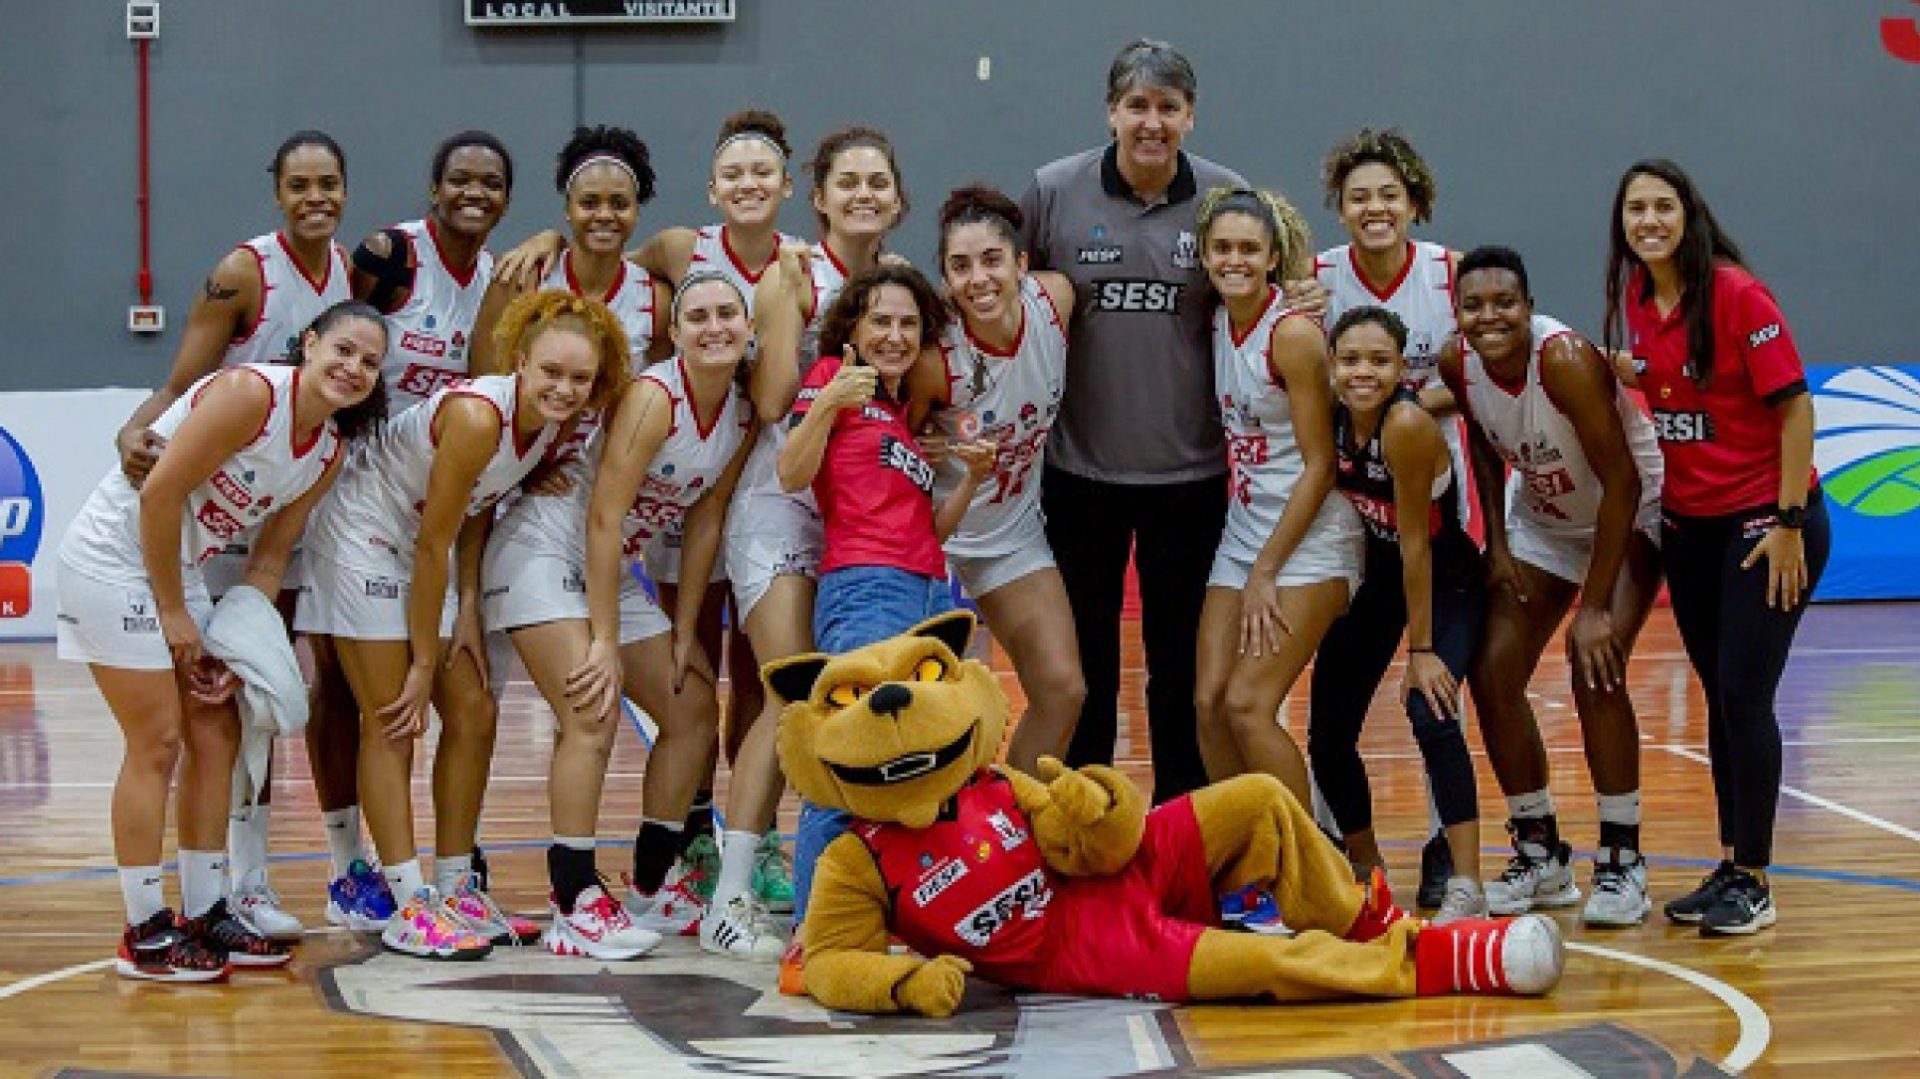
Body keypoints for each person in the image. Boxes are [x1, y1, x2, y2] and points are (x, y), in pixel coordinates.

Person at [58, 300, 387, 980]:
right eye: (344, 350)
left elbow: (267, 562)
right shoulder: (250, 394)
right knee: (157, 739)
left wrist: (239, 645)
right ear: (310, 343)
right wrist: (176, 614)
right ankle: (144, 930)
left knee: (218, 730)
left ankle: (206, 911)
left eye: (370, 362)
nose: (354, 368)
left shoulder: (325, 453)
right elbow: (159, 495)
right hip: (112, 558)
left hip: (177, 568)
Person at [297, 289, 627, 959]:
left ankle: (455, 886)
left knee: (473, 710)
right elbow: (432, 540)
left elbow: (477, 507)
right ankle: (409, 901)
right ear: (521, 361)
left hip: (429, 542)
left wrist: (470, 605)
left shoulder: (553, 427)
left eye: (579, 378)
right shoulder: (479, 415)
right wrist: (423, 661)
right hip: (366, 529)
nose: (563, 389)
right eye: (551, 373)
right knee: (395, 715)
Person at [109, 130, 353, 939]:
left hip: (275, 505)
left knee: (261, 691)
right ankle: (206, 889)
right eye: (299, 186)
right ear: (277, 193)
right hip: (209, 508)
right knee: (206, 711)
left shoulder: (349, 274)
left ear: (344, 190)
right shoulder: (245, 271)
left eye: (328, 184)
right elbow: (184, 376)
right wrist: (140, 426)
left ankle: (246, 880)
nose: (315, 197)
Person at [487, 272, 753, 958]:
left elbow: (705, 520)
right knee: (591, 707)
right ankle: (573, 896)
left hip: (610, 563)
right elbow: (604, 516)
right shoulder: (652, 397)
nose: (715, 325)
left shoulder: (743, 413)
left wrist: (686, 628)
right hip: (546, 546)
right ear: (676, 331)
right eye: (698, 315)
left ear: (749, 328)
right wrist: (605, 638)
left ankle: (655, 880)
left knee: (693, 708)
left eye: (729, 313)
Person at [699, 126, 912, 958]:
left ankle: (847, 879)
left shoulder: (898, 287)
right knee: (794, 695)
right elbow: (775, 395)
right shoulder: (794, 277)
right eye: (846, 181)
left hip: (857, 516)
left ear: (897, 199)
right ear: (817, 196)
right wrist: (831, 364)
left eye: (878, 182)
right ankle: (730, 891)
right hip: (779, 500)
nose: (863, 194)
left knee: (846, 697)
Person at [1017, 39, 1246, 805]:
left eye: (1168, 108)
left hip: (1191, 475)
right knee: (1088, 669)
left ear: (1191, 116)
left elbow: (1261, 304)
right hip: (1080, 473)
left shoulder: (1224, 195)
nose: (1153, 122)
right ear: (1111, 110)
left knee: (1178, 668)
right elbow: (1000, 299)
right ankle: (1086, 820)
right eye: (1138, 106)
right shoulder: (1052, 192)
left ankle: (1181, 822)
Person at [1603, 159, 1829, 935]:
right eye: (1635, 209)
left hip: (1765, 524)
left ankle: (1758, 879)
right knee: (1720, 697)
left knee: (1743, 694)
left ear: (1689, 213)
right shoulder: (1635, 298)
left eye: (1663, 206)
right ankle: (1734, 862)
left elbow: (1795, 411)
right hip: (1688, 529)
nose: (1649, 221)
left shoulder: (1736, 294)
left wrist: (1790, 521)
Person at [301, 130, 516, 935]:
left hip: (436, 503)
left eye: (490, 182)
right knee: (350, 695)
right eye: (459, 178)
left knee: (455, 700)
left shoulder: (500, 282)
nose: (474, 192)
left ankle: (449, 874)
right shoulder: (391, 257)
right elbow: (335, 335)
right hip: (352, 492)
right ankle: (352, 865)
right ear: (434, 185)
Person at [1435, 246, 1666, 927]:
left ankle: (1623, 860)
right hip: (1543, 523)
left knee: (1594, 662)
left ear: (1529, 307)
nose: (1489, 316)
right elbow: (1478, 442)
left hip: (1627, 518)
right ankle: (1541, 853)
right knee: (1492, 667)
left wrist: (1593, 606)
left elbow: (1622, 480)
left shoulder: (1561, 360)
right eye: (1473, 304)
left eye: (1504, 302)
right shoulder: (1459, 362)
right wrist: (1498, 546)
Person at [776, 264, 994, 960]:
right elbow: (790, 473)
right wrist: (827, 401)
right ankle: (811, 934)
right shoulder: (833, 384)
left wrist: (973, 480)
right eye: (881, 322)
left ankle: (888, 919)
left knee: (920, 766)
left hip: (930, 589)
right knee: (849, 756)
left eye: (907, 324)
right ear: (852, 330)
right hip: (866, 586)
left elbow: (933, 528)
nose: (895, 336)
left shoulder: (903, 416)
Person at [1312, 127, 1462, 908]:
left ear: (1413, 202)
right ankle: (1344, 850)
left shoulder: (1448, 273)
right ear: (1339, 208)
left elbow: (1473, 373)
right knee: (1328, 711)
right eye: (1359, 196)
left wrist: (1400, 402)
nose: (1375, 208)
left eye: (1389, 195)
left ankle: (1447, 848)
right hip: (1356, 515)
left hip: (1439, 504)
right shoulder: (1317, 279)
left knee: (1438, 701)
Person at [1309, 306, 1487, 924]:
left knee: (1430, 710)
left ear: (1399, 368)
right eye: (1351, 359)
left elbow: (1416, 545)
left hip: (1448, 579)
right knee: (1328, 733)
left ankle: (1468, 883)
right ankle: (1367, 870)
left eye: (1379, 361)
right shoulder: (1329, 420)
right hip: (1381, 580)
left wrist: (1422, 649)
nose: (1363, 372)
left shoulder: (1406, 425)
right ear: (1331, 365)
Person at [1191, 187, 1362, 807]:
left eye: (1248, 249)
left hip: (1311, 535)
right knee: (1208, 701)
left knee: (1248, 704)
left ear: (1272, 258)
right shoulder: (1214, 319)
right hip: (1245, 530)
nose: (1234, 260)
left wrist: (1266, 570)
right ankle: (1251, 855)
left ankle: (1304, 860)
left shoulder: (1290, 334)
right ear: (1204, 255)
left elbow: (1321, 467)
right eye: (1222, 248)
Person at [913, 183, 1083, 773]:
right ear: (944, 279)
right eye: (960, 267)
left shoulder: (1055, 302)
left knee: (1064, 690)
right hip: (931, 538)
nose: (978, 279)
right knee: (922, 717)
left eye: (992, 261)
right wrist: (921, 445)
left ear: (1022, 263)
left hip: (1009, 533)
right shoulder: (935, 358)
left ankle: (1014, 820)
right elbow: (888, 435)